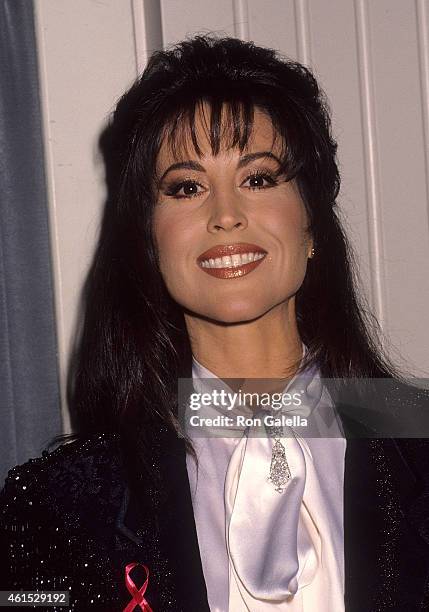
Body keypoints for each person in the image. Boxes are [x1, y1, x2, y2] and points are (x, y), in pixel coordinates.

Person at [1, 34, 429, 612]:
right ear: (149, 241)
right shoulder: (57, 506)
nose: (225, 215)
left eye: (258, 178)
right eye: (186, 187)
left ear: (311, 226)